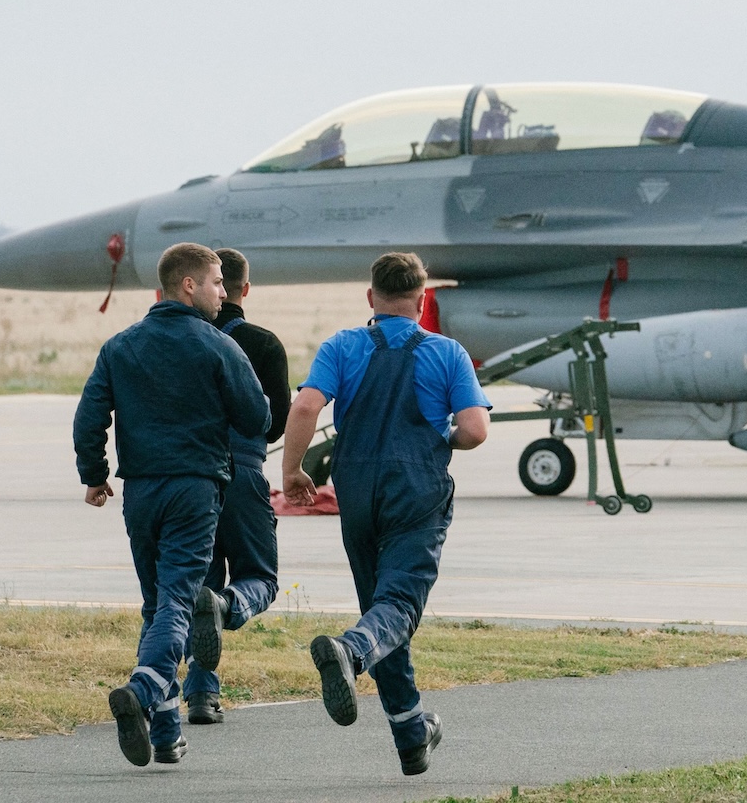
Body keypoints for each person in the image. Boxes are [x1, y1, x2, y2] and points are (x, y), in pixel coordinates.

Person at [281, 251, 490, 777]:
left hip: (357, 492)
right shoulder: (447, 352)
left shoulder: (343, 345)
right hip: (415, 491)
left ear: (370, 298)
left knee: (382, 609)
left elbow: (306, 406)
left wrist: (292, 472)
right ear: (422, 302)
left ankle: (411, 733)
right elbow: (475, 430)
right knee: (397, 605)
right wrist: (446, 436)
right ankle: (350, 653)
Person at [74, 242, 268, 768]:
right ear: (189, 285)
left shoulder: (120, 345)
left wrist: (93, 475)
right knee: (179, 599)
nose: (222, 293)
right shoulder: (217, 346)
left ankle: (165, 733)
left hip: (139, 491)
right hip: (195, 487)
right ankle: (145, 688)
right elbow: (256, 417)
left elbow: (89, 415)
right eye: (216, 283)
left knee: (157, 603)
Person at [181, 248, 291, 725]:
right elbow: (276, 427)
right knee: (260, 578)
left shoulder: (178, 342)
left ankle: (201, 694)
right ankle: (229, 606)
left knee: (197, 580)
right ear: (243, 289)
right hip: (244, 471)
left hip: (190, 476)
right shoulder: (264, 345)